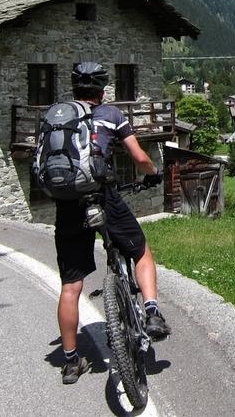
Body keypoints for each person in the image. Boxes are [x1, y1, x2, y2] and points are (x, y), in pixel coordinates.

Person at [54, 61, 171, 385]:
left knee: (70, 285)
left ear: (75, 89)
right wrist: (153, 173)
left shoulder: (57, 117)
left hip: (67, 206)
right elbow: (139, 157)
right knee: (141, 252)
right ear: (102, 91)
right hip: (102, 196)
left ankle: (70, 361)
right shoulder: (112, 115)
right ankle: (151, 313)